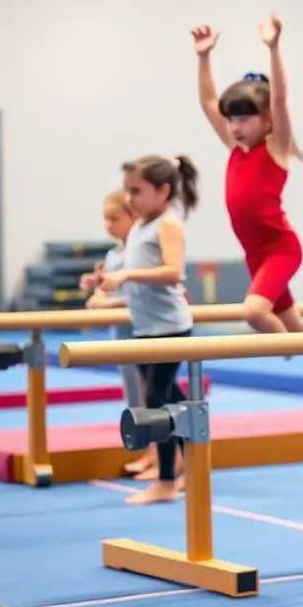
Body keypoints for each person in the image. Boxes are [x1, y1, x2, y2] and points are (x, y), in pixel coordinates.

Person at [192, 16, 303, 338]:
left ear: (267, 119)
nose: (234, 127)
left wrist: (274, 48)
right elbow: (207, 103)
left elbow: (280, 99)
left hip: (279, 248)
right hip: (254, 254)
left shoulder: (276, 149)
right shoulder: (236, 148)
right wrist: (203, 58)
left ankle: (288, 349)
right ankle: (301, 335)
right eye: (231, 119)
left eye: (244, 119)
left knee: (255, 313)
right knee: (297, 325)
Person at [100, 154, 198, 506]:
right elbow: (138, 286)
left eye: (137, 191)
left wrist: (125, 275)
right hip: (145, 328)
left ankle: (167, 481)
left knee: (157, 401)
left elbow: (173, 272)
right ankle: (191, 466)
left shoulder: (168, 224)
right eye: (127, 191)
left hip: (170, 327)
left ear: (163, 190)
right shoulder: (141, 226)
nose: (130, 200)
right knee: (168, 399)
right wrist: (109, 293)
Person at [79, 189, 157, 479]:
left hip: (144, 328)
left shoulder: (141, 250)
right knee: (133, 396)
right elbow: (109, 285)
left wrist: (107, 302)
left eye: (114, 218)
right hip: (121, 331)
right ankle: (149, 451)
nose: (108, 225)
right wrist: (95, 285)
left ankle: (158, 454)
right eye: (105, 219)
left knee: (152, 395)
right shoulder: (114, 254)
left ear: (134, 217)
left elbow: (143, 292)